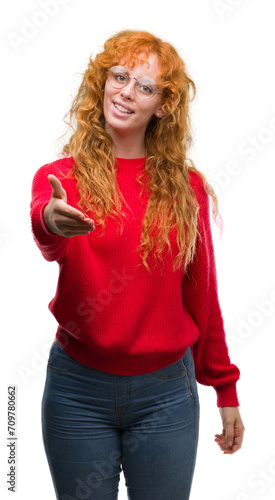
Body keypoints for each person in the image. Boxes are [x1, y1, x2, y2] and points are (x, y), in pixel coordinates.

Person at [30, 29, 245, 500]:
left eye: (144, 86)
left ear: (163, 106)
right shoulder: (60, 178)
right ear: (102, 82)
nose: (126, 92)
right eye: (119, 76)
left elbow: (202, 293)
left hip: (167, 393)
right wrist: (51, 219)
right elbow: (47, 233)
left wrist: (224, 387)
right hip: (76, 390)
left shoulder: (184, 189)